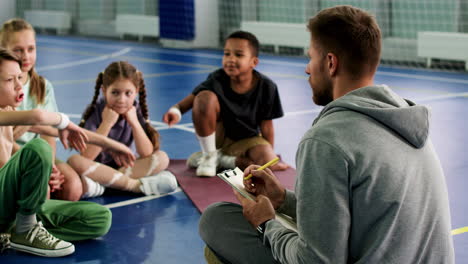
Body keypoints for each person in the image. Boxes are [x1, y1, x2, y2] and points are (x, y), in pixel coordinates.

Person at [199, 5, 454, 263]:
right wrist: (283, 199)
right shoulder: (409, 122)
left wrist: (265, 223)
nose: (308, 69)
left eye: (310, 58)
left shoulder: (326, 140)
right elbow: (360, 217)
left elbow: (316, 261)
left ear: (330, 63)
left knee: (217, 219)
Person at [0, 48, 136, 257]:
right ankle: (25, 230)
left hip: (11, 210)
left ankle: (10, 233)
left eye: (20, 77)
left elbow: (72, 132)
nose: (20, 85)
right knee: (39, 148)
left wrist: (114, 145)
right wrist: (63, 122)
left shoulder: (10, 113)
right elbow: (38, 116)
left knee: (99, 218)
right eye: (10, 80)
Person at [163, 30, 288, 177]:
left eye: (238, 55)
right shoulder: (216, 79)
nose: (230, 59)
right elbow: (190, 100)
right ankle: (210, 156)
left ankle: (224, 160)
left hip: (248, 139)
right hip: (219, 138)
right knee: (204, 97)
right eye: (227, 54)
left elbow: (267, 126)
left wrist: (270, 160)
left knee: (264, 164)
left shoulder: (267, 87)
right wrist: (175, 111)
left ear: (253, 62)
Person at [67, 61, 177, 198]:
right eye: (115, 93)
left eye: (128, 93)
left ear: (136, 91)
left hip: (126, 169)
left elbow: (146, 153)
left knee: (162, 158)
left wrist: (134, 122)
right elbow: (87, 156)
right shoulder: (96, 111)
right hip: (98, 169)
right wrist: (106, 123)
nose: (121, 99)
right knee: (75, 161)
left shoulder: (135, 110)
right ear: (104, 90)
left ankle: (104, 186)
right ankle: (133, 185)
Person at [0, 18, 81, 201]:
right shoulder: (3, 89)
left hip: (40, 154)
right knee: (40, 190)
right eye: (18, 50)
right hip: (13, 155)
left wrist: (50, 165)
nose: (25, 56)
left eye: (31, 49)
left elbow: (48, 135)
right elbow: (34, 120)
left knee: (73, 187)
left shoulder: (43, 86)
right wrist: (41, 169)